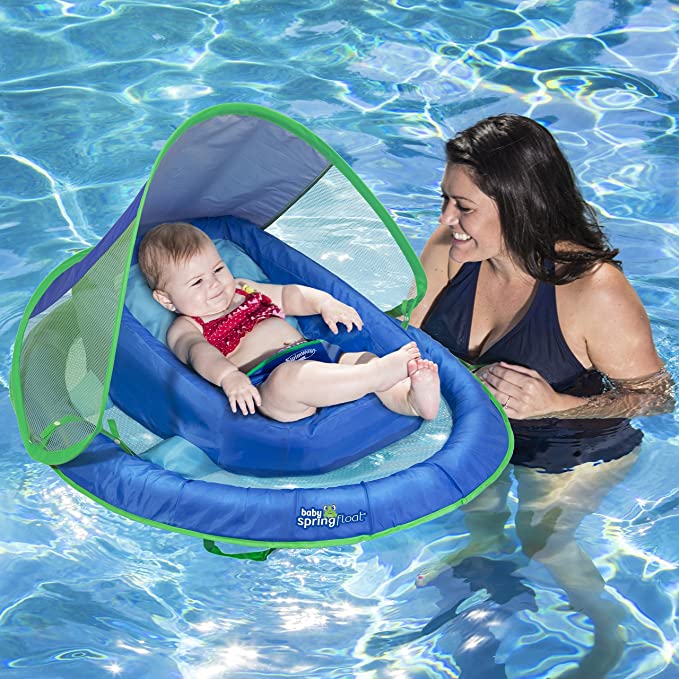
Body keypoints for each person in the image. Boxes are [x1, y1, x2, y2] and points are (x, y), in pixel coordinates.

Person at [410, 114, 674, 677]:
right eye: (446, 200)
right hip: (484, 431)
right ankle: (482, 551)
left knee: (543, 539)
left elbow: (656, 395)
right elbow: (403, 338)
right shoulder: (450, 249)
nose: (445, 220)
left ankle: (609, 633)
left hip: (574, 443)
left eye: (463, 207)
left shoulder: (591, 289)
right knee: (474, 504)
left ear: (516, 202)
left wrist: (559, 405)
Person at [137, 221, 440, 423]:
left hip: (316, 353)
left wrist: (324, 303)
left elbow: (289, 295)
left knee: (359, 358)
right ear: (166, 300)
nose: (214, 285)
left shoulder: (243, 288)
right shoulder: (188, 326)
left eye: (217, 269)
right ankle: (376, 376)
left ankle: (412, 401)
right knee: (290, 380)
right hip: (267, 383)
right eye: (197, 282)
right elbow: (199, 354)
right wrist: (229, 377)